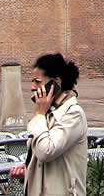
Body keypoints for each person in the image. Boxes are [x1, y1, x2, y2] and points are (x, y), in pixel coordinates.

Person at [8, 52, 87, 196]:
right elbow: (42, 157)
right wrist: (29, 171)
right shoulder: (48, 111)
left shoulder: (73, 114)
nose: (32, 87)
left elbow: (46, 151)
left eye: (37, 81)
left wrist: (38, 116)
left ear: (56, 82)